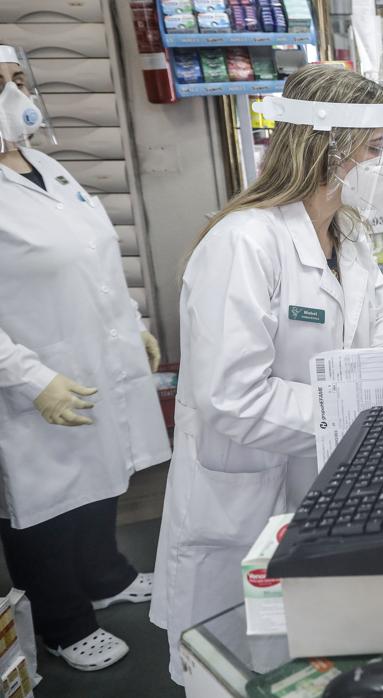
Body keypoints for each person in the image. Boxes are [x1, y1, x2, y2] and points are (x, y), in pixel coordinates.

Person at [150, 64, 383, 684]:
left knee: (305, 665)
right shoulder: (245, 244)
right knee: (238, 672)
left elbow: (373, 332)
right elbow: (233, 399)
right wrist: (355, 410)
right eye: (375, 150)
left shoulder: (344, 238)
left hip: (317, 489)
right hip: (241, 507)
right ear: (323, 147)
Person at [0, 44, 171, 672]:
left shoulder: (40, 163)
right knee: (44, 501)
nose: (17, 95)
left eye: (17, 80)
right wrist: (32, 379)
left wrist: (131, 322)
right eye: (0, 85)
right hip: (29, 375)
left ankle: (106, 574)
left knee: (101, 475)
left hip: (94, 352)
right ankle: (61, 621)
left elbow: (93, 255)